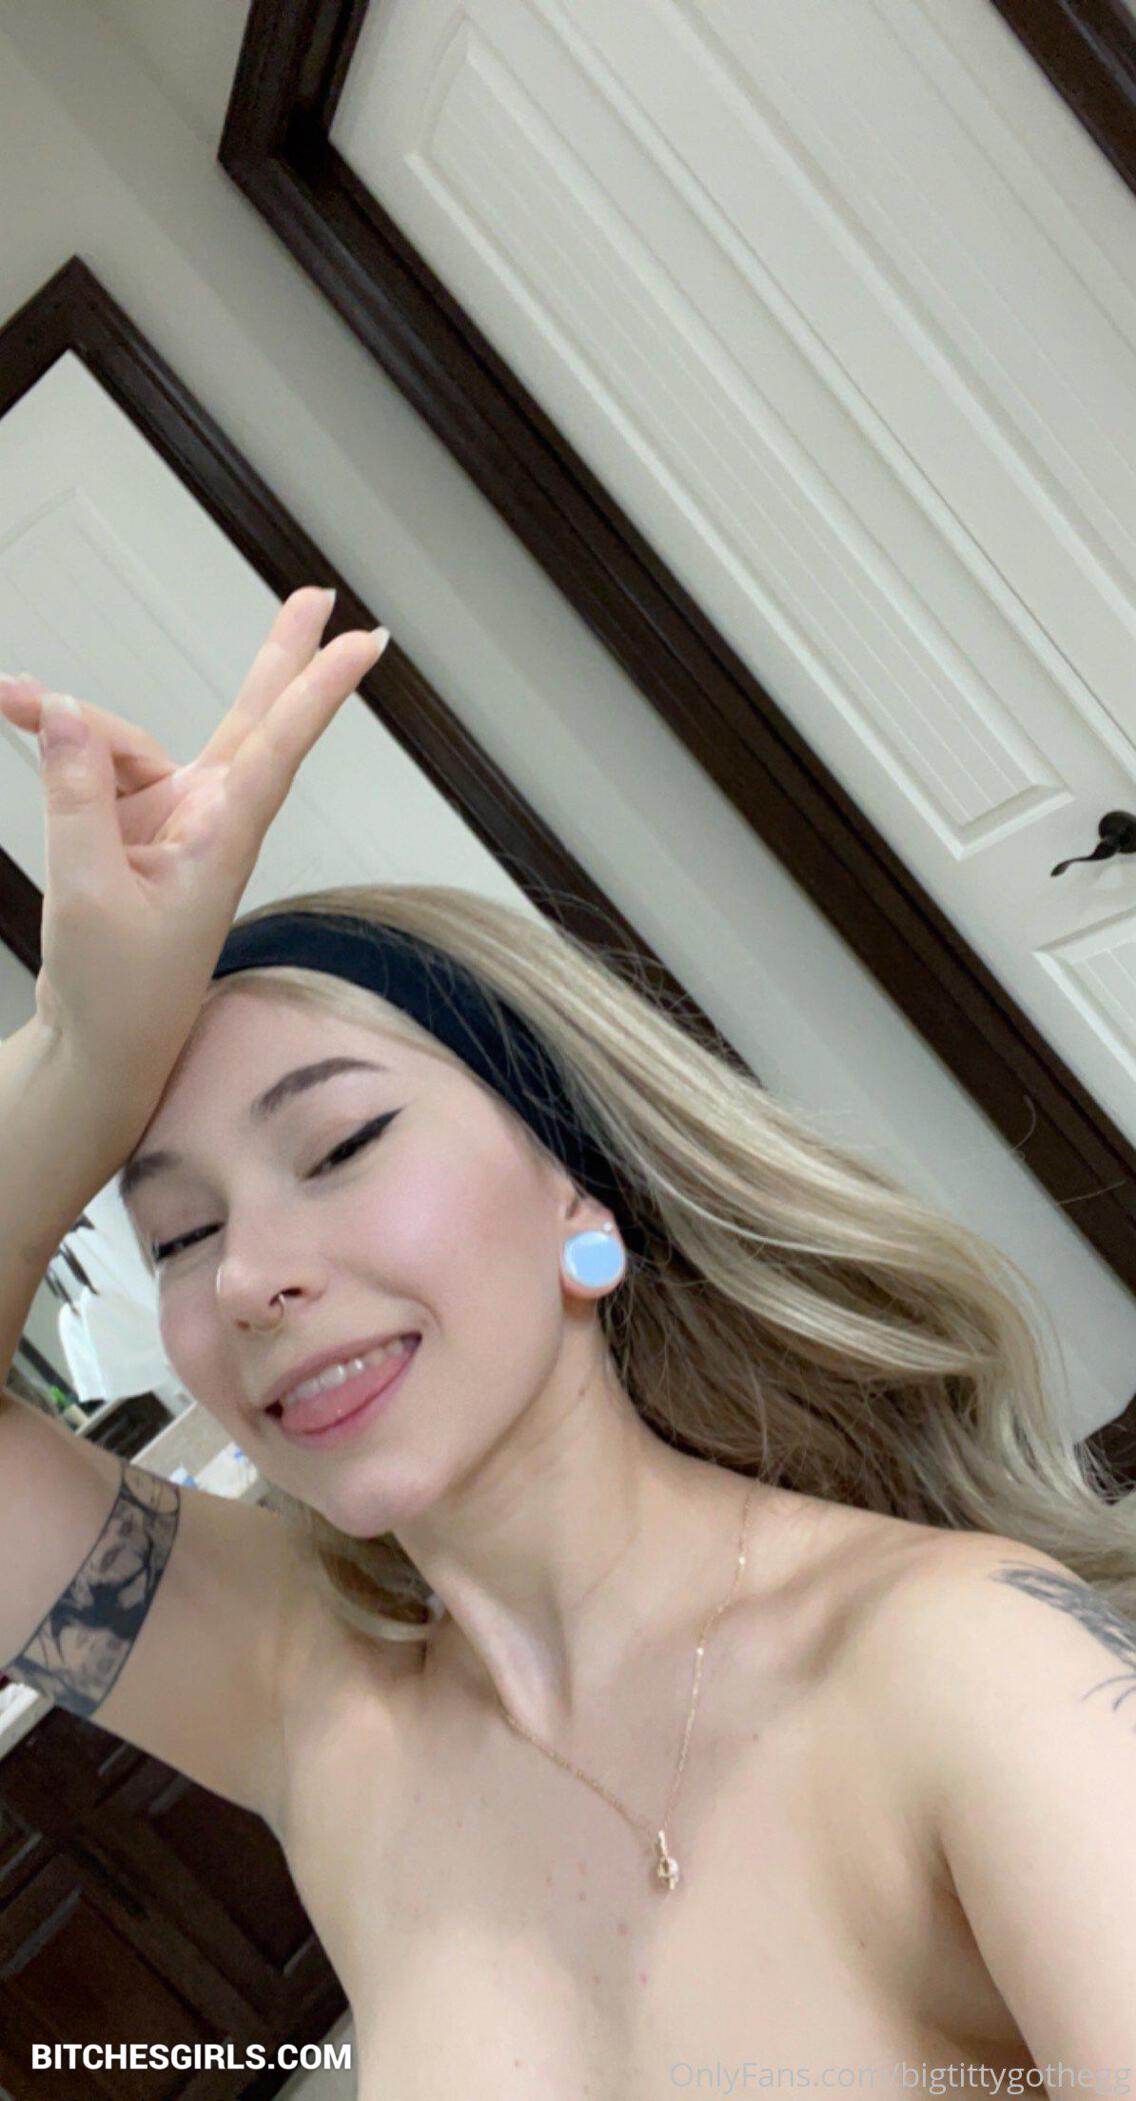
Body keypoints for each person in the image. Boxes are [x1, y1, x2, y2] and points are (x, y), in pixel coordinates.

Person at [0, 586, 1133, 2097]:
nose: (252, 1277)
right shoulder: (307, 1699)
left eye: (340, 1146)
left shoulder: (967, 1668)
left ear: (573, 1183)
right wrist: (78, 1058)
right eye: (180, 1235)